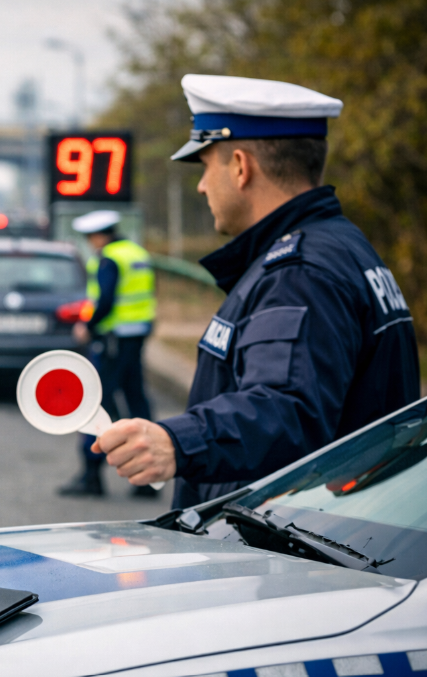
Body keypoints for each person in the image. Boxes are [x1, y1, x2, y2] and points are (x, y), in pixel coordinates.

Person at [92, 74, 420, 509]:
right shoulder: (345, 247)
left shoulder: (300, 273)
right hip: (346, 531)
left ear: (241, 167)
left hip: (297, 550)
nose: (201, 185)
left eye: (206, 166)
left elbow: (287, 410)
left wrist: (179, 442)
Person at [58, 210, 157, 498]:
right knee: (137, 401)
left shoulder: (109, 259)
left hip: (112, 341)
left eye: (91, 238)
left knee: (94, 404)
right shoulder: (136, 253)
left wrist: (88, 326)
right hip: (135, 338)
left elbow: (106, 300)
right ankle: (149, 478)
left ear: (100, 236)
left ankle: (91, 476)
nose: (91, 244)